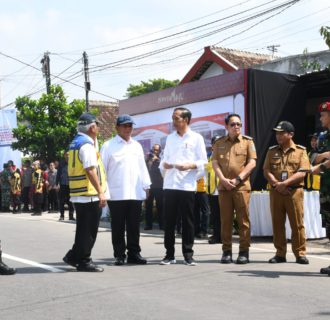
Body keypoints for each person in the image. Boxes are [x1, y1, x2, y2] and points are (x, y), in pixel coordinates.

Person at [159, 107, 207, 266]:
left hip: (186, 185)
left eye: (176, 118)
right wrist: (164, 165)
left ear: (186, 120)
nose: (173, 122)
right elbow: (164, 159)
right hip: (170, 184)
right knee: (169, 221)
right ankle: (169, 255)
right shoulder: (170, 138)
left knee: (188, 221)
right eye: (172, 118)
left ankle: (188, 254)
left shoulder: (196, 138)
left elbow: (203, 162)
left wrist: (190, 165)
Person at [101, 114, 151, 266]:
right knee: (117, 226)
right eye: (124, 126)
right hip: (116, 193)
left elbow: (142, 167)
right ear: (117, 127)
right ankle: (119, 255)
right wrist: (102, 191)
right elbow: (102, 170)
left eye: (130, 126)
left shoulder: (136, 145)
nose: (128, 129)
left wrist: (146, 186)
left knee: (134, 226)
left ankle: (134, 253)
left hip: (135, 192)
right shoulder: (108, 146)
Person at [63, 112, 108, 272]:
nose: (98, 128)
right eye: (97, 125)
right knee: (89, 231)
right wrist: (100, 192)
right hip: (89, 194)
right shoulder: (86, 146)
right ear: (92, 127)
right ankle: (84, 261)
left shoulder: (75, 143)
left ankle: (74, 256)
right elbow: (90, 170)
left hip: (78, 193)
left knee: (83, 229)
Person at [212, 114, 257, 264]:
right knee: (226, 221)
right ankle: (226, 251)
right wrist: (223, 180)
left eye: (238, 124)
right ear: (226, 126)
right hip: (224, 188)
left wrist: (238, 179)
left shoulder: (247, 142)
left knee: (243, 221)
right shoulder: (219, 143)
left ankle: (244, 251)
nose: (236, 127)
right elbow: (215, 163)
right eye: (233, 124)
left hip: (241, 187)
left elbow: (252, 163)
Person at [263, 121, 310, 264]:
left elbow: (303, 172)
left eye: (281, 133)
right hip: (276, 191)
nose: (278, 136)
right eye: (277, 133)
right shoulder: (272, 151)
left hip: (294, 192)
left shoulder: (301, 151)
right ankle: (280, 254)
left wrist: (285, 183)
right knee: (277, 223)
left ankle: (300, 253)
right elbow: (266, 170)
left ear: (291, 134)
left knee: (297, 223)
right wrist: (277, 184)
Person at [311, 102, 330, 276]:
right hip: (325, 187)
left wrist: (323, 161)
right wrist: (324, 156)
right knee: (329, 226)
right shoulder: (322, 136)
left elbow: (320, 163)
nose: (321, 118)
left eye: (324, 115)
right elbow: (314, 156)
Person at [206, 135, 222, 244]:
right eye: (215, 143)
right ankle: (217, 235)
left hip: (223, 188)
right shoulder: (209, 157)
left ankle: (223, 236)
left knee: (223, 215)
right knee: (215, 214)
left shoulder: (224, 155)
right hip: (212, 189)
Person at [145, 144, 164, 230]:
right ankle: (148, 225)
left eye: (157, 150)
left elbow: (165, 168)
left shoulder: (161, 159)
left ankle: (162, 225)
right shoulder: (148, 159)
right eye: (154, 149)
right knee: (148, 206)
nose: (155, 151)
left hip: (159, 186)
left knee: (160, 206)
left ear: (159, 151)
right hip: (149, 186)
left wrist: (158, 160)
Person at [56, 152, 75, 221]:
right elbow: (58, 174)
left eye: (69, 155)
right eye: (66, 155)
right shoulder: (61, 164)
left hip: (71, 185)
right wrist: (57, 184)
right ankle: (62, 216)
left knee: (71, 201)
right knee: (62, 201)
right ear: (64, 156)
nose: (68, 156)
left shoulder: (73, 163)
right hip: (63, 185)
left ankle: (71, 216)